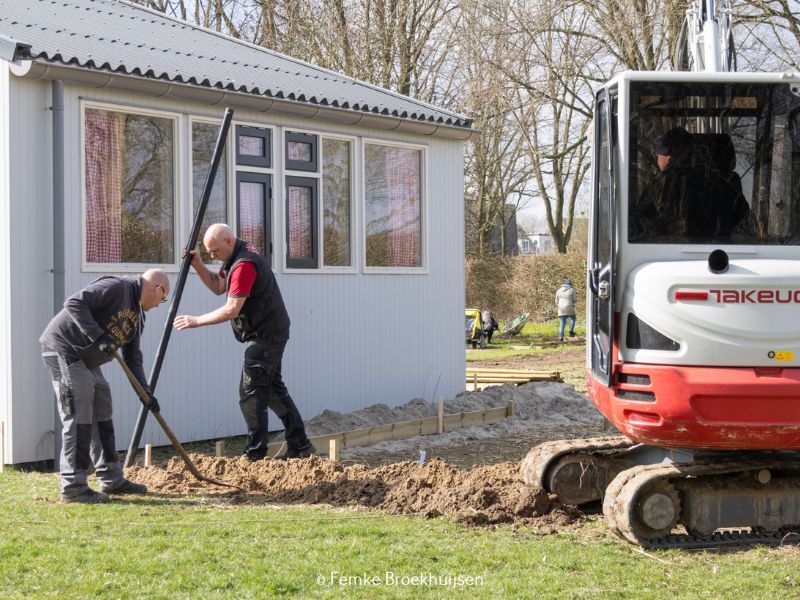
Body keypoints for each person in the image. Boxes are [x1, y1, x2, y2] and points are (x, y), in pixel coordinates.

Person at [174, 224, 315, 462]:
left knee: (251, 391)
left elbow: (231, 309)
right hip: (269, 330)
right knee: (270, 389)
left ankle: (255, 454)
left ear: (229, 240)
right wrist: (198, 264)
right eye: (209, 253)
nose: (213, 256)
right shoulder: (234, 258)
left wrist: (196, 320)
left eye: (215, 251)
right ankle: (300, 446)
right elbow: (219, 287)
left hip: (266, 334)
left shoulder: (244, 265)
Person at [40, 269, 169, 504]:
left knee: (102, 407)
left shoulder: (138, 317)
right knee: (79, 414)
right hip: (64, 348)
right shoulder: (117, 286)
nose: (160, 304)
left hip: (86, 360)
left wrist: (145, 394)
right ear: (157, 287)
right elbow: (74, 303)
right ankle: (73, 487)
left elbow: (133, 359)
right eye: (163, 298)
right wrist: (100, 337)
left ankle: (111, 478)